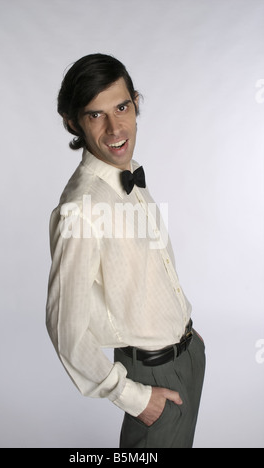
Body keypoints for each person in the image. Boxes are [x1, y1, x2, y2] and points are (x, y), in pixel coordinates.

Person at [46, 53, 206, 448]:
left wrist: (184, 331)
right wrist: (134, 398)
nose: (116, 127)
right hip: (152, 379)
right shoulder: (81, 207)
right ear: (73, 123)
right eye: (95, 115)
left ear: (135, 102)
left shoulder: (127, 173)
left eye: (121, 107)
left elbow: (146, 272)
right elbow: (65, 331)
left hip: (187, 355)